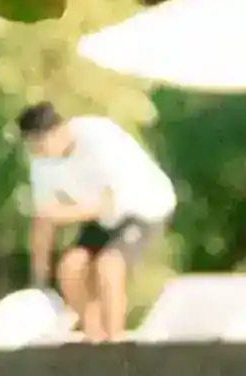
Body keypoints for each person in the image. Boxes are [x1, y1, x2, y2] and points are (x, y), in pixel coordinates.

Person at [21, 103, 176, 341]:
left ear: (60, 130)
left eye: (42, 145)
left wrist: (62, 215)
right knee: (69, 269)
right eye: (34, 148)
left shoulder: (99, 136)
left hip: (143, 208)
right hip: (100, 217)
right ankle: (94, 334)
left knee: (109, 265)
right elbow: (43, 222)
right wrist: (38, 278)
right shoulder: (41, 163)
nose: (41, 153)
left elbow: (107, 203)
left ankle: (114, 340)